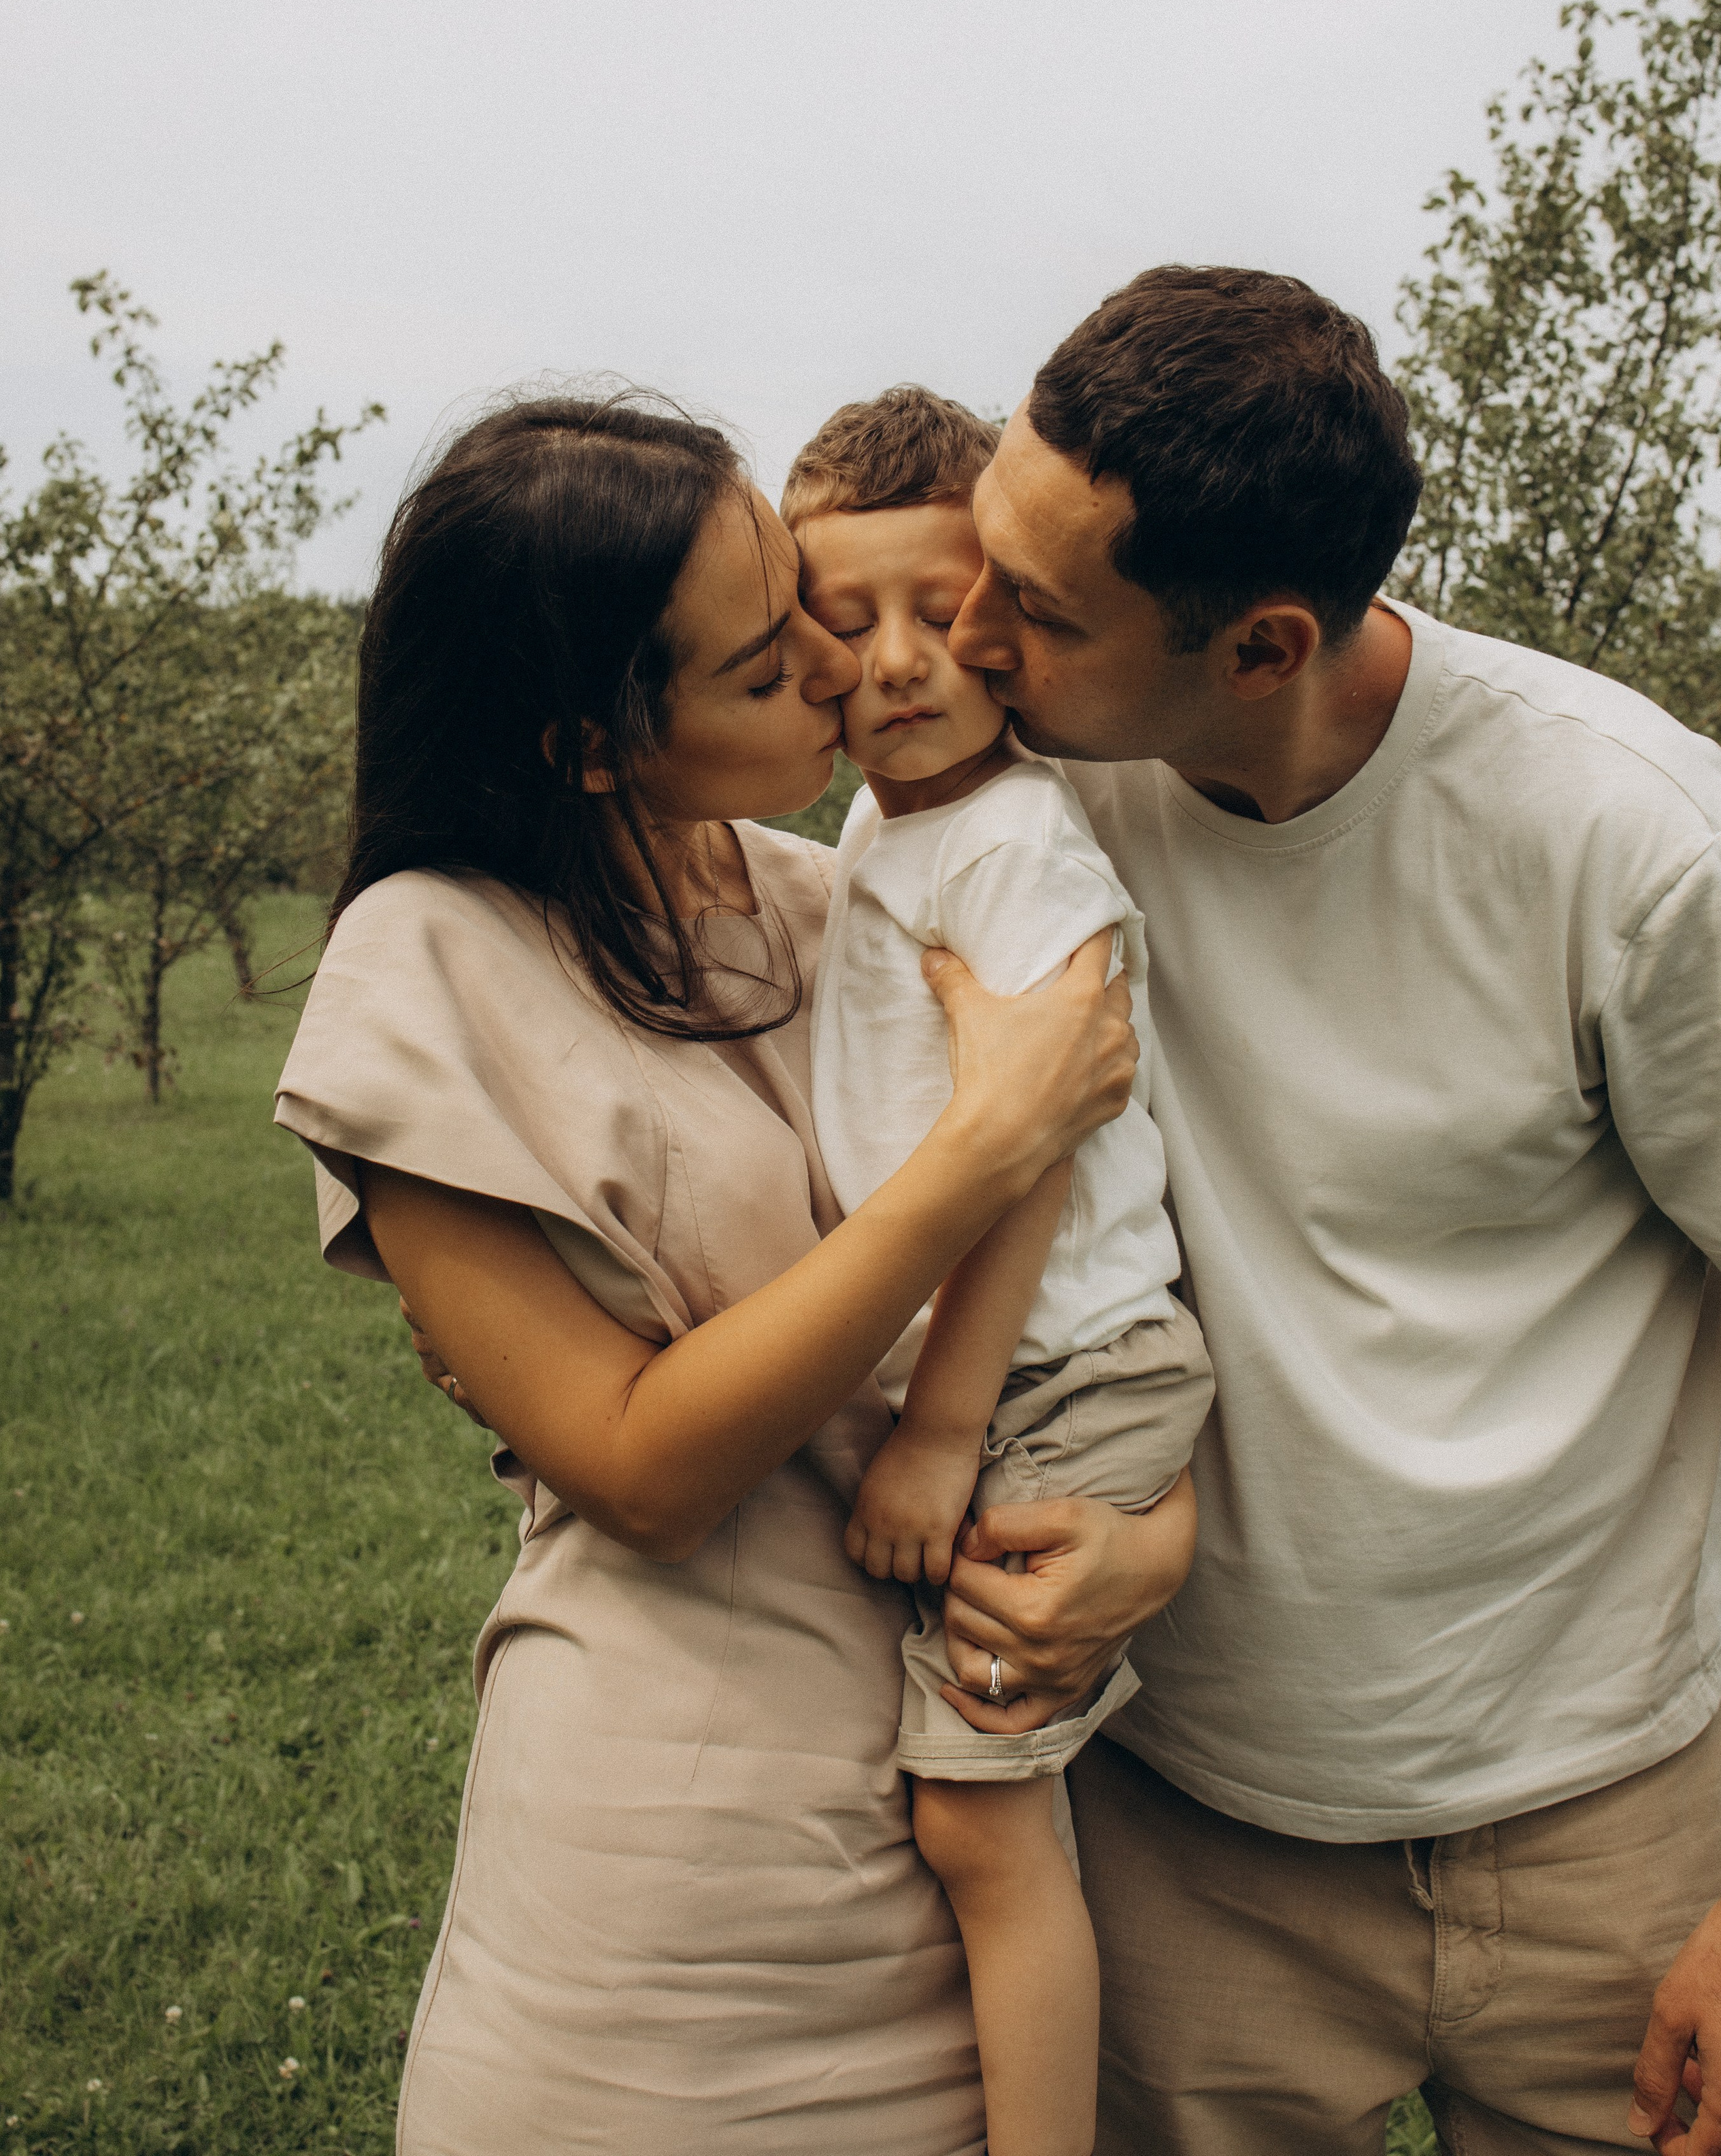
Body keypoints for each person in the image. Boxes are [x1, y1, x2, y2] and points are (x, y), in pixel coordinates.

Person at [271, 388, 1180, 2155]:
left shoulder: (846, 895)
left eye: (812, 614)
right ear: (592, 744)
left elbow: (1109, 1264)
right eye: (775, 666)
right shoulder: (427, 969)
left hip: (955, 1815)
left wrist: (1155, 1538)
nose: (845, 680)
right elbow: (645, 1468)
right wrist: (980, 1148)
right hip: (667, 1900)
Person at [934, 264, 1721, 2156]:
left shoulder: (1636, 844)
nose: (968, 638)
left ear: (1267, 648)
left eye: (1036, 610)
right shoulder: (1021, 813)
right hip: (1183, 1834)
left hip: (1608, 1831)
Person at [782, 388, 1216, 2156]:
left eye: (942, 608)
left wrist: (940, 1431)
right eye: (842, 615)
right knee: (963, 1808)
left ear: (1009, 616)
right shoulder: (887, 831)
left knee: (979, 1819)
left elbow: (1028, 1147)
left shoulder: (1021, 843)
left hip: (1058, 1375)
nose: (897, 662)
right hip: (992, 1362)